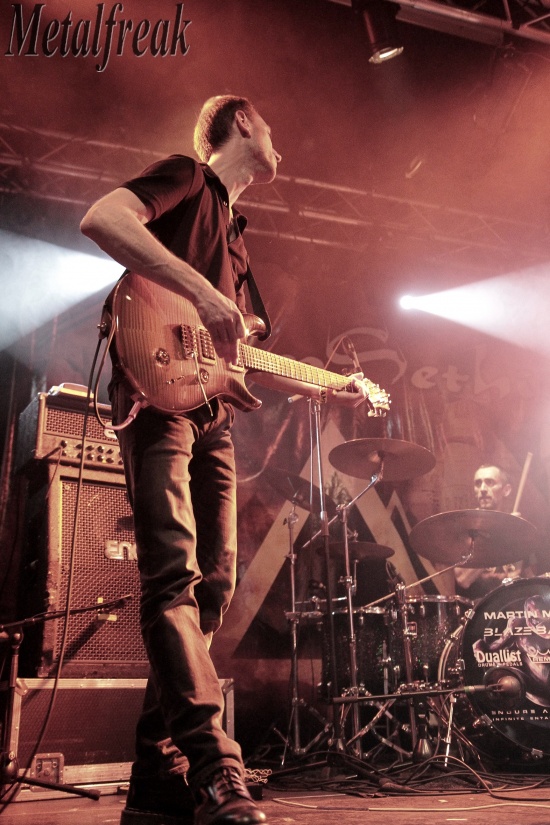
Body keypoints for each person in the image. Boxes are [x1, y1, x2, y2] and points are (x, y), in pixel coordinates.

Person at [80, 95, 368, 825]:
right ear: (242, 123)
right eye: (270, 126)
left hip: (212, 417)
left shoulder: (239, 239)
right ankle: (215, 767)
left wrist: (334, 387)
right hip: (157, 399)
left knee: (212, 586)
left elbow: (242, 357)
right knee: (172, 575)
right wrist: (205, 293)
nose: (279, 142)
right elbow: (103, 219)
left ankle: (156, 780)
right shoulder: (187, 177)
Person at [455, 464, 530, 601]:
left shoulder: (518, 529)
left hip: (511, 607)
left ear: (506, 490)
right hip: (477, 609)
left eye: (490, 482)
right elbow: (463, 580)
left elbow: (531, 580)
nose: (483, 489)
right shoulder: (466, 528)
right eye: (478, 483)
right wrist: (498, 534)